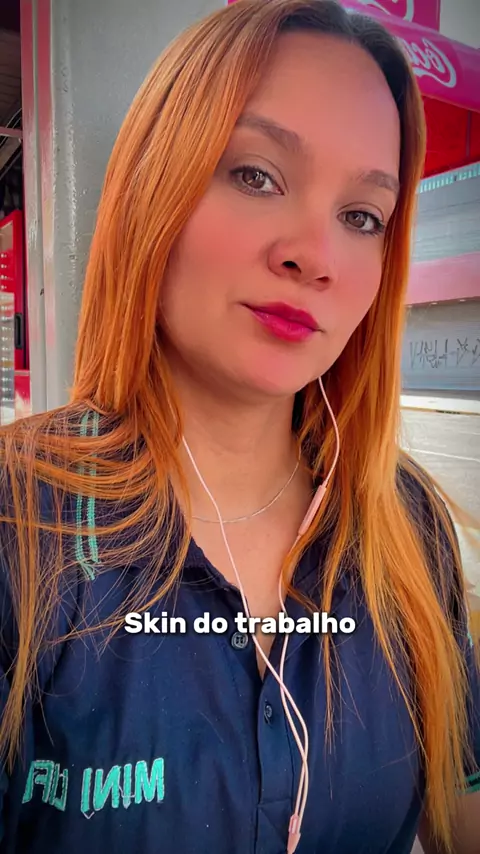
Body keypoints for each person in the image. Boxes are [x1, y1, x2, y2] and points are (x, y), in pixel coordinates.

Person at [0, 0, 479, 852]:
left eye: (362, 216)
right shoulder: (19, 521)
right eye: (257, 175)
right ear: (155, 188)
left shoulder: (407, 525)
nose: (315, 256)